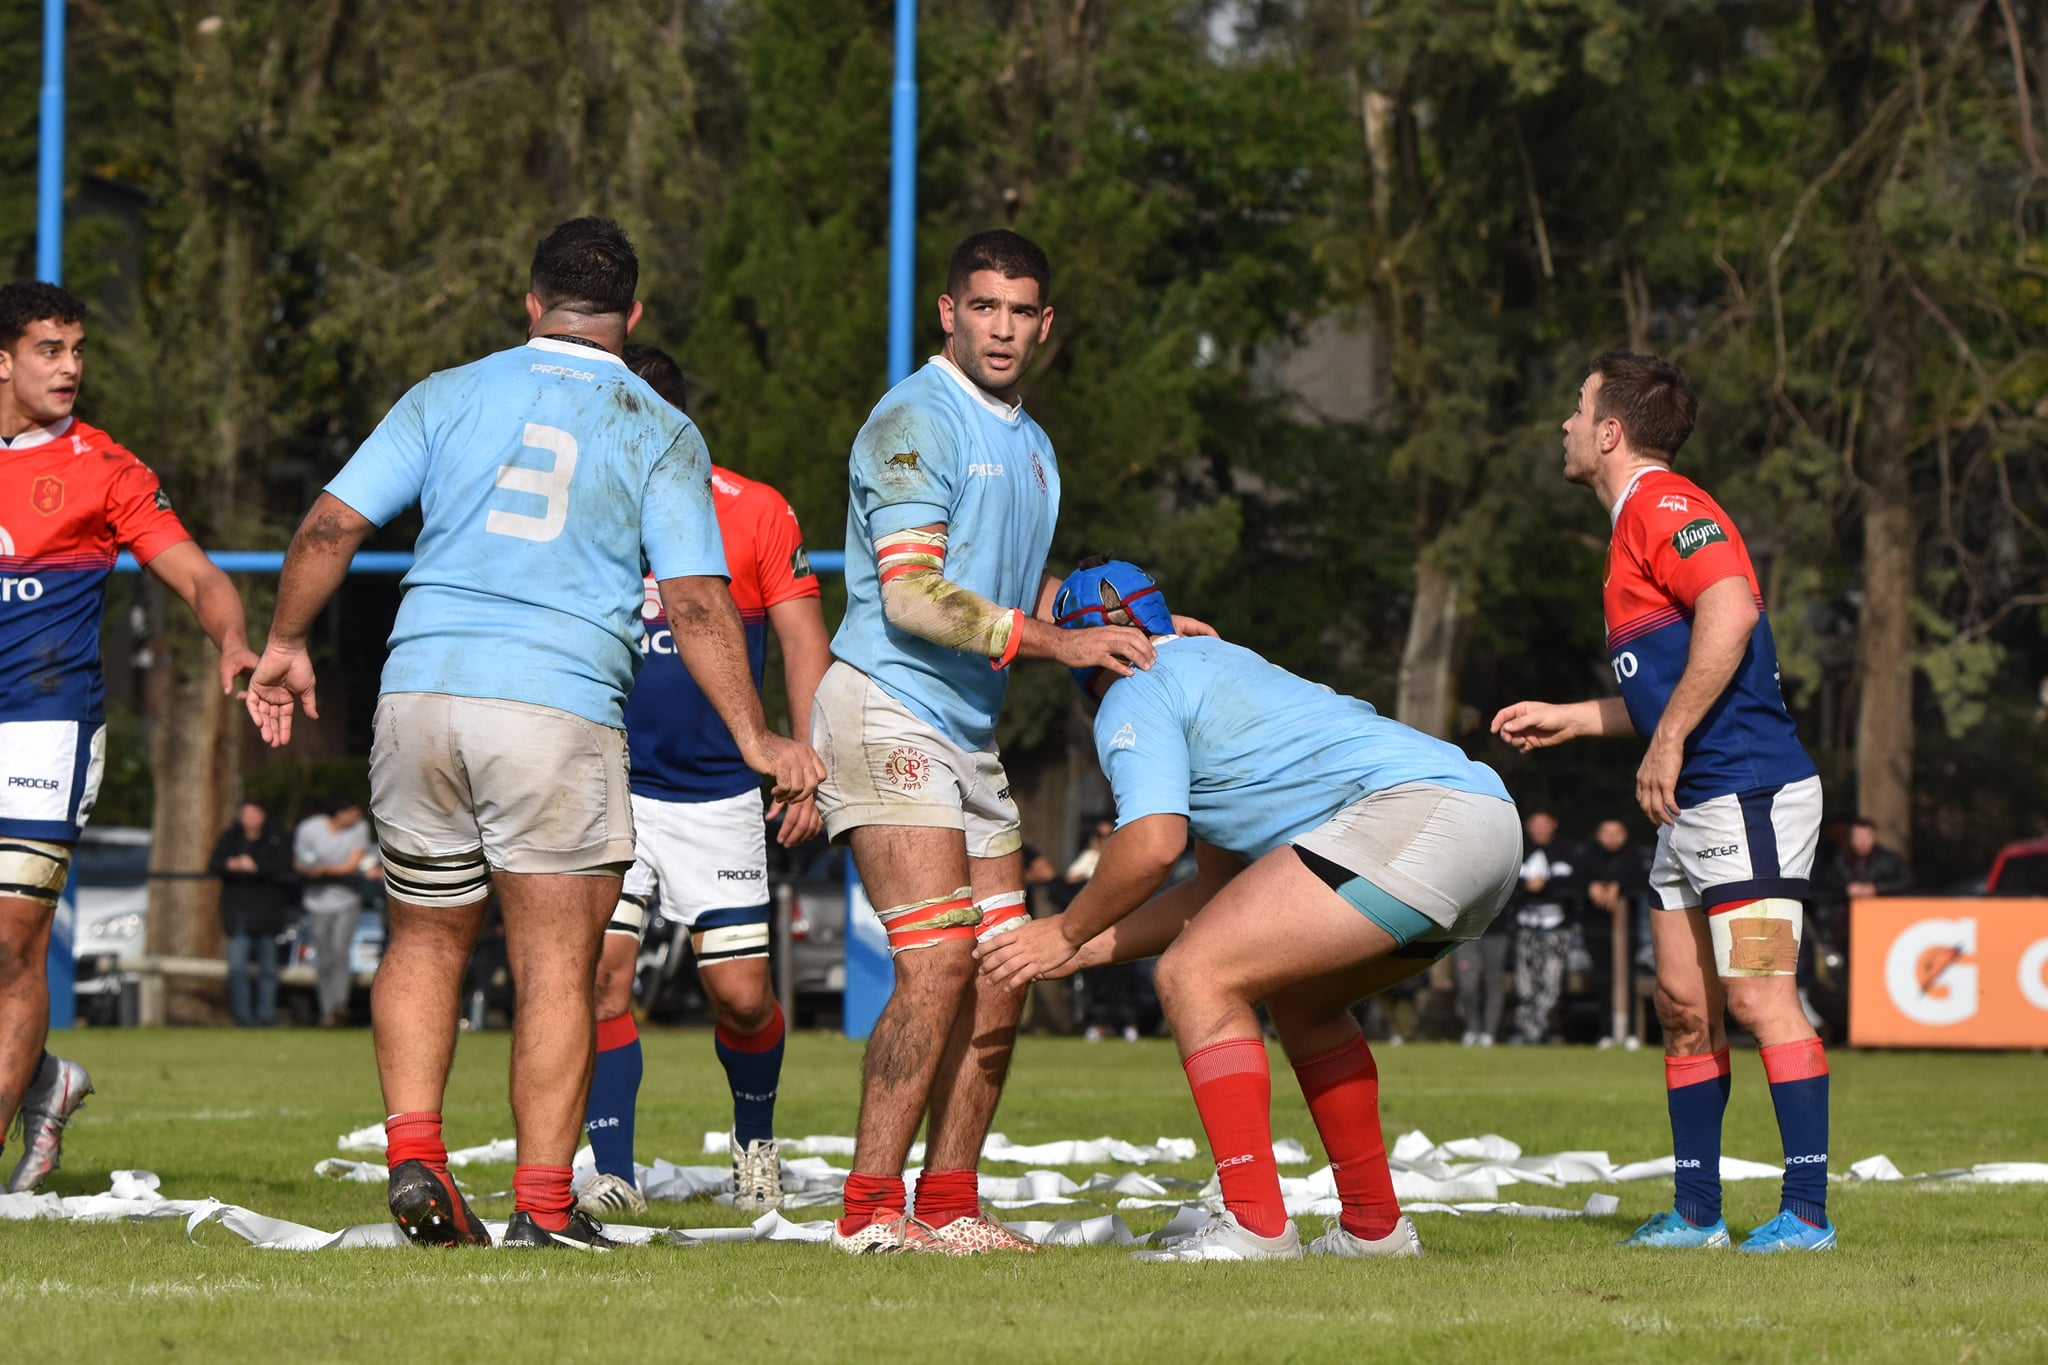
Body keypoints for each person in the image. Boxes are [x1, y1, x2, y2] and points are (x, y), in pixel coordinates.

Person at [243, 218, 824, 1251]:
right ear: (631, 316)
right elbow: (694, 602)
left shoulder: (447, 391)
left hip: (418, 691)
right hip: (553, 706)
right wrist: (756, 735)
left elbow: (329, 527)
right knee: (558, 966)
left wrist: (286, 642)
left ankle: (415, 1154)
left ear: (530, 302)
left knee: (423, 934)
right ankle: (545, 1210)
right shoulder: (657, 425)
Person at [978, 559, 1521, 1262]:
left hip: (1417, 817)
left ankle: (1257, 1224)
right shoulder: (1219, 663)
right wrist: (1078, 949)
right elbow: (1214, 894)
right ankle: (1373, 1229)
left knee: (1194, 975)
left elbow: (1150, 845)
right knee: (1302, 999)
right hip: (1484, 822)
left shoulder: (1133, 690)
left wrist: (1065, 927)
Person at [814, 230, 1172, 1255]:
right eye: (983, 308)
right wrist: (1057, 640)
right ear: (947, 313)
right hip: (886, 704)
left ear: (1043, 323)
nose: (1002, 328)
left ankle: (951, 1204)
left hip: (966, 729)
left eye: (1020, 312)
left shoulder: (1030, 440)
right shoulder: (913, 420)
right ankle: (869, 1215)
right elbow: (913, 595)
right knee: (932, 963)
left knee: (1002, 966)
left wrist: (1138, 623)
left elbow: (1019, 595)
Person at [1492, 351, 1834, 1254]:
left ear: (1610, 432)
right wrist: (1575, 717)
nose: (1565, 425)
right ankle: (1696, 1214)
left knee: (1761, 1000)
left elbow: (1731, 609)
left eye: (1577, 409)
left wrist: (1670, 739)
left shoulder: (1665, 505)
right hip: (1694, 803)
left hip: (1747, 791)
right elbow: (1673, 678)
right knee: (1683, 1006)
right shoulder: (1628, 524)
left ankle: (1806, 1215)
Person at [0, 280, 256, 1193]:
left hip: (45, 725)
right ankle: (45, 1079)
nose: (69, 366)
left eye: (76, 349)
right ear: (3, 359)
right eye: (47, 349)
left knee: (10, 943)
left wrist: (233, 640)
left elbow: (197, 574)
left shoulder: (106, 468)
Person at [576, 343, 832, 1220]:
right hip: (607, 785)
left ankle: (755, 1146)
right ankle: (613, 1169)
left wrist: (804, 760)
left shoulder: (752, 509)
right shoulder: (580, 508)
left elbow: (801, 638)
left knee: (742, 996)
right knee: (601, 976)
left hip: (719, 794)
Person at [208, 799, 298, 1027]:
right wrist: (229, 865)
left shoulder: (276, 839)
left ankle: (266, 1017)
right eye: (245, 815)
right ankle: (243, 1017)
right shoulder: (230, 838)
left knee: (268, 969)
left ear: (263, 816)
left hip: (267, 915)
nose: (249, 820)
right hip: (238, 913)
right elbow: (213, 864)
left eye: (254, 814)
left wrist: (256, 868)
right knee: (238, 968)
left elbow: (285, 867)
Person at [294, 797, 377, 1027]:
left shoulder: (359, 828)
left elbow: (352, 864)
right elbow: (300, 861)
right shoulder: (309, 828)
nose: (358, 817)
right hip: (317, 903)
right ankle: (327, 1011)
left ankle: (340, 1005)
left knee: (341, 952)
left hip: (347, 900)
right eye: (352, 811)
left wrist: (324, 869)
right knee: (325, 956)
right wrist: (310, 868)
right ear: (338, 813)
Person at [1507, 809, 1581, 1046]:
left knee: (1551, 983)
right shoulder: (1517, 850)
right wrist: (1526, 888)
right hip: (1525, 928)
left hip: (1557, 929)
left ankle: (1541, 1029)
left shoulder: (1567, 851)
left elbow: (1575, 885)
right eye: (1535, 824)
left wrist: (1545, 886)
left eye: (1544, 823)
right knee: (1524, 983)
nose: (1540, 828)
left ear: (1554, 824)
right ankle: (1524, 1030)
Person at [1067, 818, 1142, 1043]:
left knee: (1123, 979)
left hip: (1121, 929)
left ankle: (1129, 1024)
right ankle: (1098, 1024)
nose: (1104, 839)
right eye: (1100, 835)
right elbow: (1072, 878)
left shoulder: (1128, 857)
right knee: (1097, 980)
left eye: (1110, 834)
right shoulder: (1089, 858)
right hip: (1096, 929)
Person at [1580, 817, 1653, 1046]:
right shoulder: (1587, 857)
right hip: (1595, 927)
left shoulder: (1634, 857)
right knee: (1602, 979)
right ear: (1598, 834)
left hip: (1627, 929)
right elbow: (1576, 881)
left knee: (1628, 976)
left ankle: (1630, 1032)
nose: (1612, 837)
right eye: (1606, 831)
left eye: (1617, 832)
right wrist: (1592, 887)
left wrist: (1618, 887)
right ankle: (1605, 1031)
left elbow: (1642, 881)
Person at [1814, 817, 1912, 905]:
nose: (1862, 842)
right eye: (1858, 837)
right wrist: (1846, 890)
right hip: (1843, 914)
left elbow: (1907, 883)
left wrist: (1877, 888)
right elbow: (1821, 885)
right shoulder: (1837, 859)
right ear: (1851, 838)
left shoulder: (1892, 860)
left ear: (1874, 836)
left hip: (1883, 910)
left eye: (1866, 837)